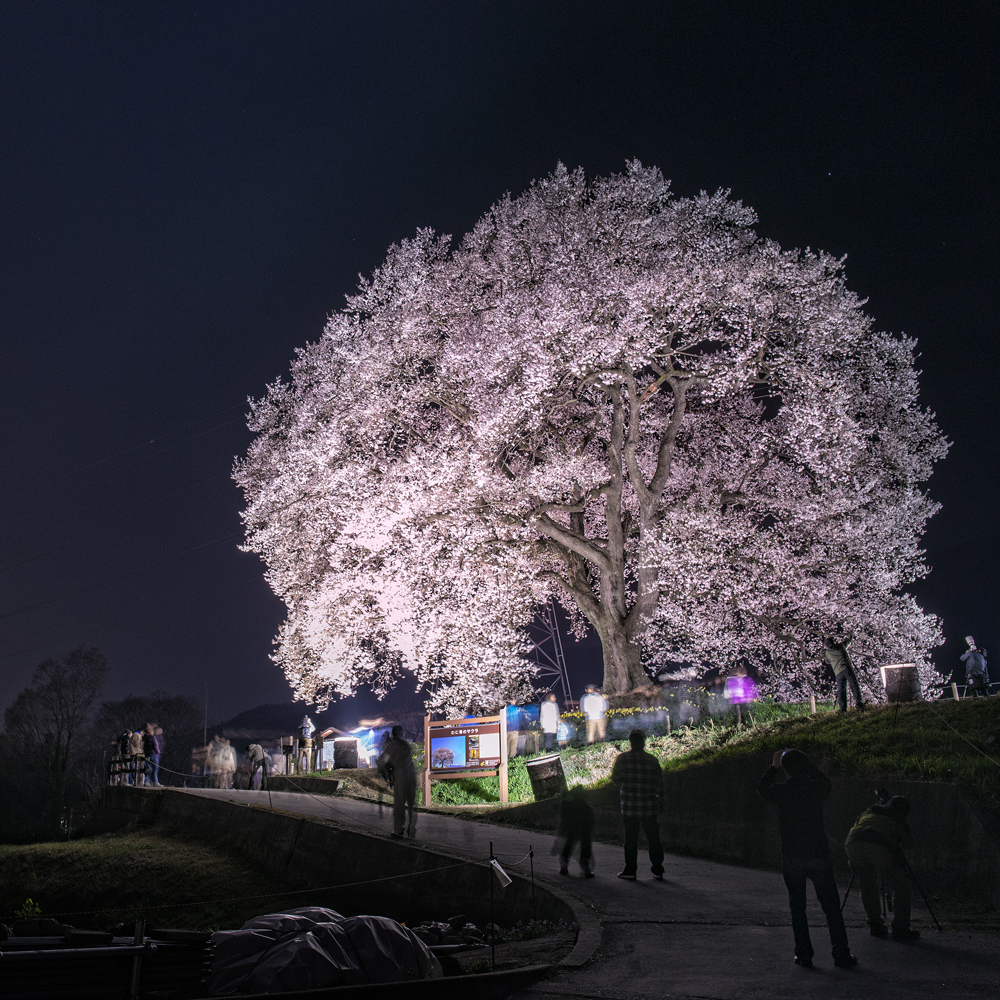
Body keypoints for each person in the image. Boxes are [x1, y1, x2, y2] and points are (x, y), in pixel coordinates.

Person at [758, 749, 857, 969]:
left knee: (797, 907)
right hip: (817, 853)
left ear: (786, 769)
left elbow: (762, 789)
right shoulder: (815, 789)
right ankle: (841, 953)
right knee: (831, 907)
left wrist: (774, 767)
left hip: (792, 855)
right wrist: (808, 766)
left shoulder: (783, 791)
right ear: (806, 767)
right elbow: (826, 783)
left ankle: (804, 954)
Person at [845, 794, 918, 941]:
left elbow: (858, 825)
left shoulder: (869, 811)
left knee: (867, 883)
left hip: (852, 843)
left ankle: (875, 924)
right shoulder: (898, 817)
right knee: (901, 884)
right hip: (877, 845)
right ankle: (901, 927)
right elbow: (908, 844)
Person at [610, 729, 664, 881]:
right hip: (649, 807)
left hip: (630, 807)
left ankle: (631, 870)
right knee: (653, 839)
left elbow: (615, 779)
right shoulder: (652, 760)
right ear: (644, 742)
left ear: (631, 742)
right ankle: (658, 869)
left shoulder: (623, 759)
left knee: (631, 840)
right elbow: (659, 786)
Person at [377, 724, 417, 838]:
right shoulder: (406, 745)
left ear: (394, 734)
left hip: (401, 776)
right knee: (411, 804)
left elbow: (382, 759)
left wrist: (383, 770)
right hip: (412, 775)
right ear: (402, 733)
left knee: (400, 803)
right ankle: (412, 828)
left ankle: (399, 829)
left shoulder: (393, 745)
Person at [558, 784, 595, 877]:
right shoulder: (587, 809)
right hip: (583, 830)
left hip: (571, 829)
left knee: (570, 841)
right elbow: (591, 823)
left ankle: (564, 862)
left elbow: (564, 818)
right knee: (586, 841)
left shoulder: (567, 806)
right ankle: (585, 863)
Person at [823, 636, 864, 711]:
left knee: (841, 690)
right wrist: (849, 636)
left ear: (826, 645)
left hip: (838, 672)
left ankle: (843, 708)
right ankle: (859, 702)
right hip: (847, 668)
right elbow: (848, 641)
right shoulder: (841, 646)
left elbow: (828, 660)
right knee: (854, 685)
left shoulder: (828, 653)